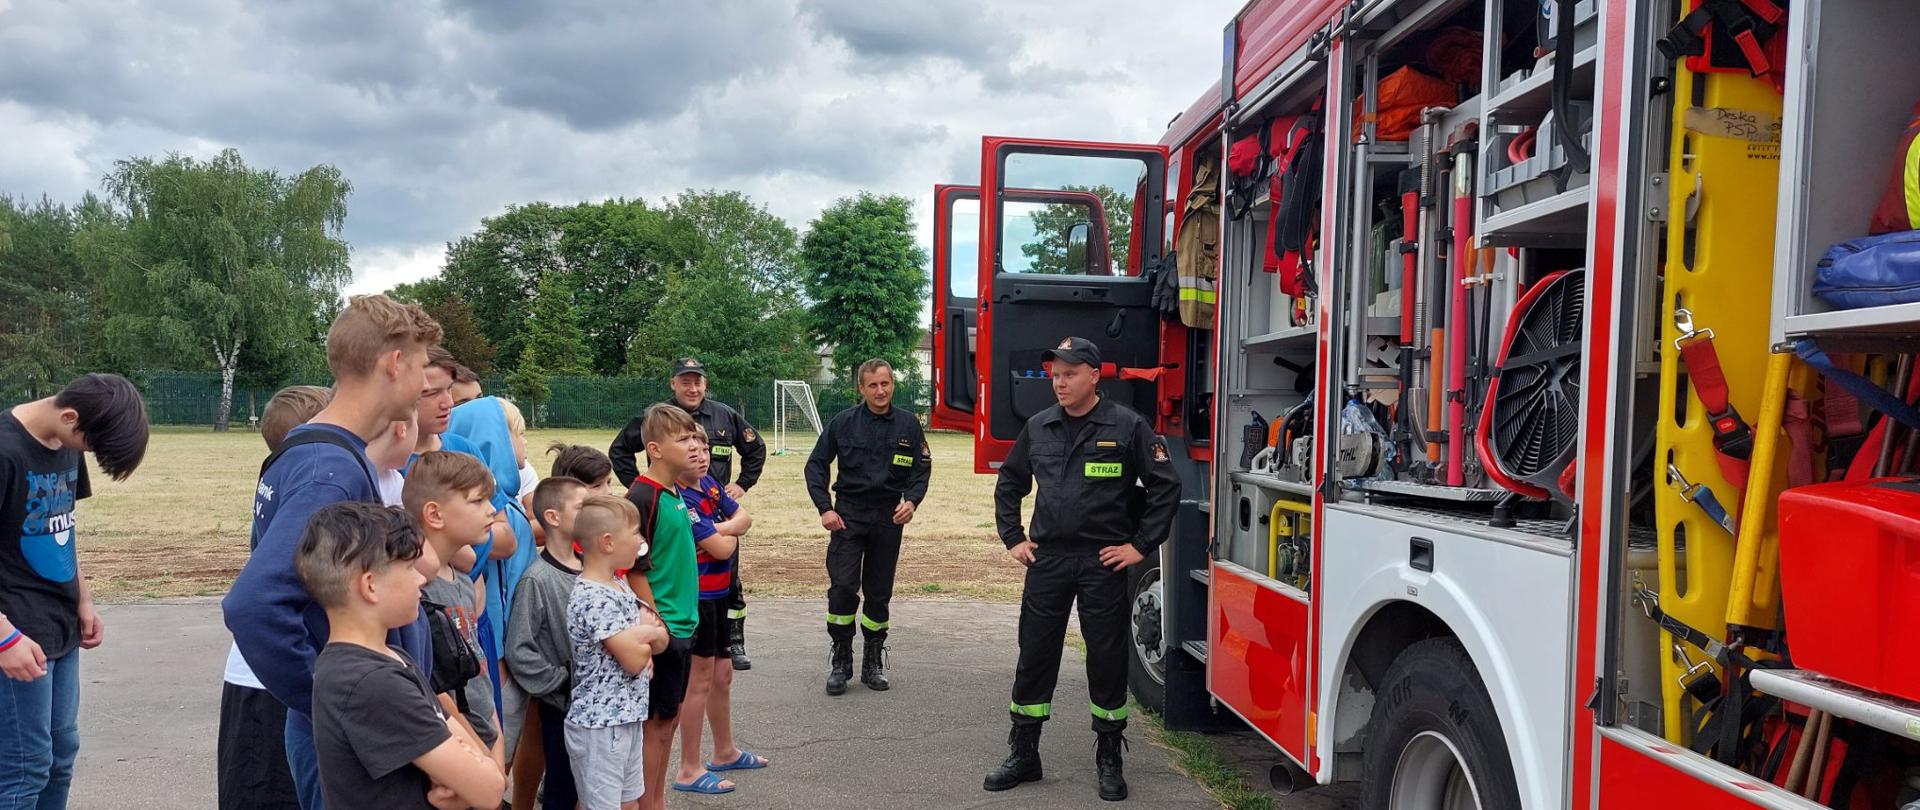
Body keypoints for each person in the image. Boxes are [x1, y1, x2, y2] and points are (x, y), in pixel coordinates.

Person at [225, 294, 443, 810]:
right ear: (394, 363)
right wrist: (331, 703)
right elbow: (252, 605)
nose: (424, 385)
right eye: (422, 368)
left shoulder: (314, 450)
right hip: (354, 734)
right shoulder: (330, 470)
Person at [982, 337, 1180, 802]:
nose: (1059, 382)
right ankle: (1024, 753)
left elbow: (1165, 488)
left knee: (1107, 658)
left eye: (1069, 373)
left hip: (1102, 562)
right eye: (1055, 374)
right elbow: (1010, 482)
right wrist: (1012, 537)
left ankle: (1109, 756)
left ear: (1094, 375)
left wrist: (1139, 546)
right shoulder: (1039, 426)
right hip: (1048, 559)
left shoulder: (1128, 426)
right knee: (1035, 654)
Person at [0, 373, 149, 809]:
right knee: (22, 771)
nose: (85, 454)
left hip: (60, 632)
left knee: (60, 758)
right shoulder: (5, 451)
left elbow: (62, 528)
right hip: (17, 640)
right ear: (70, 417)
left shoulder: (65, 442)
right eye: (90, 447)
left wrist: (83, 599)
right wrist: (4, 637)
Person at [298, 502, 504, 810]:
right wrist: (471, 775)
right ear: (370, 586)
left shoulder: (389, 658)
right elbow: (488, 791)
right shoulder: (372, 683)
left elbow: (486, 776)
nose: (421, 579)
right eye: (409, 568)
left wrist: (473, 774)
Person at [609, 357, 764, 671]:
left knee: (730, 585)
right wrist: (648, 489)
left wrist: (742, 485)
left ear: (706, 384)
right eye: (685, 381)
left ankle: (733, 641)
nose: (693, 388)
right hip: (685, 512)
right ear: (673, 383)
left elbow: (755, 447)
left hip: (716, 506)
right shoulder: (657, 418)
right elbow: (620, 451)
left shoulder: (724, 414)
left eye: (698, 381)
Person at [219, 384, 330, 810]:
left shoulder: (280, 473)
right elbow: (252, 602)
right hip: (274, 682)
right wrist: (316, 696)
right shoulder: (314, 482)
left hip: (262, 676)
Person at [803, 359, 932, 696]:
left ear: (893, 385)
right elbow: (816, 465)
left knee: (878, 592)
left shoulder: (908, 425)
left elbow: (922, 469)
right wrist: (824, 509)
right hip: (848, 516)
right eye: (873, 385)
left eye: (885, 384)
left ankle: (872, 660)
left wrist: (912, 501)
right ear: (861, 388)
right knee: (844, 587)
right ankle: (841, 660)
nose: (880, 391)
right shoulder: (843, 423)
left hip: (888, 518)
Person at [672, 430, 766, 795]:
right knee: (700, 681)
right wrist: (726, 533)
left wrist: (722, 529)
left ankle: (724, 751)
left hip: (720, 594)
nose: (701, 456)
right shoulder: (680, 499)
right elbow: (722, 548)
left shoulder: (710, 484)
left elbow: (744, 519)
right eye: (691, 450)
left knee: (723, 674)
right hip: (698, 598)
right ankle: (688, 769)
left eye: (705, 448)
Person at [402, 451, 506, 771]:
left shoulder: (462, 581)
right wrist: (483, 762)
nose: (491, 511)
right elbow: (436, 693)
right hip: (459, 757)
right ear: (434, 514)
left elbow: (479, 671)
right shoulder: (417, 595)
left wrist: (497, 745)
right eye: (477, 501)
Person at [621, 403, 702, 810]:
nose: (692, 446)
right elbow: (633, 567)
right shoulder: (642, 495)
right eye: (682, 439)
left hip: (685, 625)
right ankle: (643, 803)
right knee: (653, 725)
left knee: (667, 721)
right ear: (654, 448)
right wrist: (656, 625)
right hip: (664, 629)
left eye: (694, 437)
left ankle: (657, 799)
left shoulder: (675, 492)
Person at [568, 494, 670, 810]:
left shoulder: (618, 585)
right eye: (636, 533)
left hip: (625, 719)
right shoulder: (593, 597)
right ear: (608, 542)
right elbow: (635, 659)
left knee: (629, 802)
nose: (642, 541)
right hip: (600, 727)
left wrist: (646, 634)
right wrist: (647, 637)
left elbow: (662, 638)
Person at [506, 476, 591, 810]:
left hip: (597, 708)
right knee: (562, 790)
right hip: (562, 710)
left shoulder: (594, 571)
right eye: (583, 508)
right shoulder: (536, 580)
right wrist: (560, 682)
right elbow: (520, 649)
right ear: (553, 517)